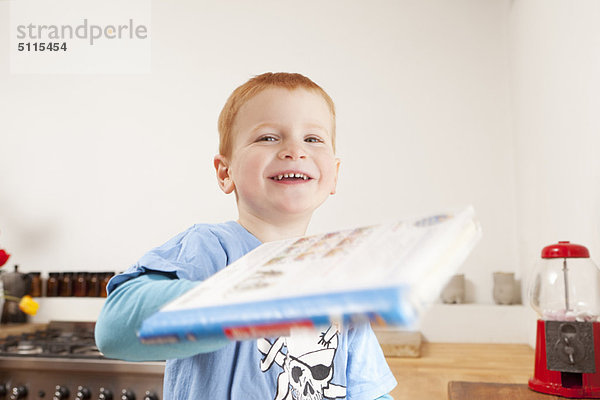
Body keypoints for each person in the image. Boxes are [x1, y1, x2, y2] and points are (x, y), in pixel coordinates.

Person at [95, 72, 397, 400]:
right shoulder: (209, 247)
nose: (295, 150)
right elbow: (114, 329)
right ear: (226, 173)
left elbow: (368, 392)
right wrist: (246, 303)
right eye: (268, 137)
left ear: (334, 175)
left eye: (313, 139)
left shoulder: (340, 280)